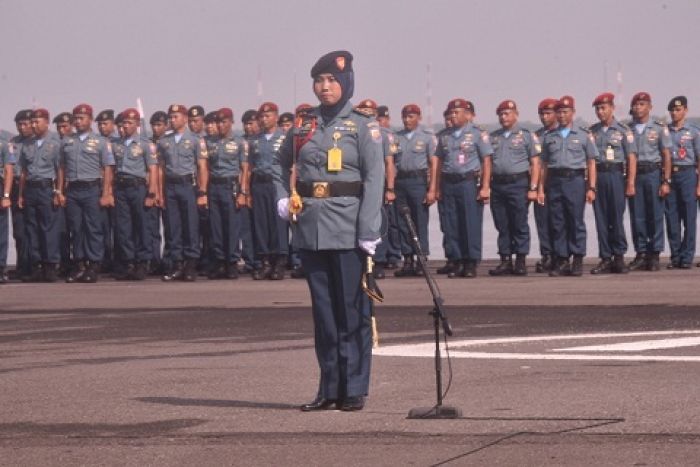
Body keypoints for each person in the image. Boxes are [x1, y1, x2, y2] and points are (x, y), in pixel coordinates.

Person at [274, 50, 383, 412]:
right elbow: (276, 165)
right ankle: (329, 387)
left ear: (346, 83)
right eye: (319, 81)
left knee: (352, 312)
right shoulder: (303, 126)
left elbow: (374, 179)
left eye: (332, 81)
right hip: (310, 230)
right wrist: (281, 199)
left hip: (350, 229)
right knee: (324, 314)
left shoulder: (363, 125)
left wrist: (369, 230)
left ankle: (353, 388)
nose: (325, 87)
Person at [539, 96, 598, 277]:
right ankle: (562, 259)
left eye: (565, 112)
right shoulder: (549, 136)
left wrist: (591, 187)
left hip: (575, 180)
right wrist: (541, 188)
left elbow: (591, 163)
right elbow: (544, 165)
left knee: (575, 220)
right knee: (558, 222)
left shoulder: (583, 135)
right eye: (559, 112)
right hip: (555, 181)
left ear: (572, 112)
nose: (562, 115)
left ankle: (578, 258)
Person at [58, 104, 115, 283]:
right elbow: (61, 168)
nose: (78, 121)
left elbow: (108, 168)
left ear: (90, 119)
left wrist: (106, 193)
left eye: (81, 118)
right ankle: (80, 265)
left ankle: (94, 265)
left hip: (91, 188)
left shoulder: (101, 142)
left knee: (93, 228)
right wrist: (60, 191)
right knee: (76, 228)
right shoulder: (67, 141)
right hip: (73, 189)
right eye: (76, 118)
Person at [436, 98, 493, 278]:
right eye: (451, 112)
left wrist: (485, 186)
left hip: (468, 182)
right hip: (449, 182)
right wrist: (435, 188)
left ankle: (470, 261)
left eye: (456, 112)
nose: (453, 115)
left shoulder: (477, 134)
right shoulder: (444, 135)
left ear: (467, 115)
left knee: (470, 222)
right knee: (451, 223)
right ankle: (457, 259)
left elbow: (486, 161)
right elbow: (438, 161)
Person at [488, 100, 540, 276]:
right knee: (502, 224)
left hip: (518, 183)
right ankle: (505, 260)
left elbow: (535, 162)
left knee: (519, 222)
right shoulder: (493, 137)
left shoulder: (526, 136)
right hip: (498, 184)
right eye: (501, 114)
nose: (504, 117)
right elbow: (487, 163)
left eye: (507, 113)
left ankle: (520, 260)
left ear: (516, 114)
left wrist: (533, 187)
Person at [157, 104, 209, 281]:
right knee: (173, 227)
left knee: (190, 226)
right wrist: (160, 192)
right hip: (170, 186)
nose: (172, 120)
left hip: (188, 185)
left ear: (185, 119)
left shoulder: (195, 140)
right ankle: (177, 263)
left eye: (176, 117)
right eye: (170, 117)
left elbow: (202, 167)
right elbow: (162, 169)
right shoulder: (164, 141)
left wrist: (202, 192)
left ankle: (190, 264)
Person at [589, 93, 635, 274]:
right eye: (598, 109)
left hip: (616, 175)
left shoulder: (623, 131)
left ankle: (619, 257)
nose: (600, 112)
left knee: (616, 218)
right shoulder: (592, 132)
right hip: (599, 176)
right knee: (601, 219)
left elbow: (631, 158)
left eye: (604, 108)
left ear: (612, 108)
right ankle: (605, 257)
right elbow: (589, 160)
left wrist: (630, 182)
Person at [111, 108, 159, 280]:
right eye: (124, 122)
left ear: (138, 124)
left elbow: (152, 169)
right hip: (121, 187)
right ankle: (128, 262)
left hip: (138, 187)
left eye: (130, 122)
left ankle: (142, 262)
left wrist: (151, 193)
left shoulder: (145, 144)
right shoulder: (116, 144)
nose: (126, 125)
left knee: (142, 226)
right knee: (124, 228)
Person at [627, 92, 672, 271]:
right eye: (636, 105)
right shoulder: (627, 129)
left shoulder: (659, 128)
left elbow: (667, 156)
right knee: (637, 216)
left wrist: (666, 181)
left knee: (655, 215)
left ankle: (654, 254)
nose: (639, 108)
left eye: (642, 104)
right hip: (635, 175)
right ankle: (641, 252)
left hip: (653, 173)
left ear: (650, 107)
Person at [17, 109, 62, 282]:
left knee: (48, 228)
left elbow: (60, 170)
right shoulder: (27, 144)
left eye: (37, 122)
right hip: (30, 189)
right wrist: (21, 195)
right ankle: (36, 266)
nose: (33, 125)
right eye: (32, 122)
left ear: (46, 122)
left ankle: (51, 266)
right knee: (32, 229)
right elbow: (23, 172)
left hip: (46, 188)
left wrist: (58, 191)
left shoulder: (55, 143)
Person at [393, 104, 437, 277]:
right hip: (401, 182)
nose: (407, 120)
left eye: (411, 116)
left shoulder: (426, 138)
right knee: (403, 222)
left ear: (418, 118)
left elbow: (433, 164)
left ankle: (421, 259)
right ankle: (408, 259)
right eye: (404, 116)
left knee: (419, 221)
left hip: (418, 182)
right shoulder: (396, 137)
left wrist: (432, 189)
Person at [205, 107, 249, 279]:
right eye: (218, 122)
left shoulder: (239, 143)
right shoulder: (210, 143)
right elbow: (206, 168)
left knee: (232, 226)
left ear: (231, 122)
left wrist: (243, 192)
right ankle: (219, 261)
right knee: (216, 226)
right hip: (214, 186)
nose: (220, 125)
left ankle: (232, 262)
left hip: (231, 186)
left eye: (224, 122)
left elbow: (244, 169)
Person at [249, 102, 289, 280]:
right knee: (261, 223)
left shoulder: (285, 138)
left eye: (268, 116)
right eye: (262, 117)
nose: (264, 119)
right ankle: (265, 261)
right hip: (259, 184)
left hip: (278, 185)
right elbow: (249, 166)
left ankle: (279, 262)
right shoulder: (255, 140)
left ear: (276, 117)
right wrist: (246, 191)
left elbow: (292, 165)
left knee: (278, 223)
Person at [664, 96, 700, 269]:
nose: (674, 113)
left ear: (685, 110)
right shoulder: (665, 131)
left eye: (677, 110)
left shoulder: (693, 131)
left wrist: (699, 184)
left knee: (689, 218)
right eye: (672, 110)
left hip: (688, 174)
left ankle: (687, 257)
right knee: (672, 217)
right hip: (671, 175)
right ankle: (675, 256)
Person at [533, 99, 558, 272]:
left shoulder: (561, 133)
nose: (544, 117)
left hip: (557, 183)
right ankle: (547, 254)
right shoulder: (536, 136)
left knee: (559, 221)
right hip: (540, 185)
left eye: (548, 113)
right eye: (542, 113)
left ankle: (560, 255)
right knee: (542, 221)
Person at [9, 110, 34, 280]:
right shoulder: (13, 142)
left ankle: (35, 265)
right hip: (16, 185)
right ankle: (22, 265)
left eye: (25, 123)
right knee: (19, 230)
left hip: (34, 186)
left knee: (34, 228)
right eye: (19, 124)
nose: (22, 127)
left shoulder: (38, 142)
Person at [0, 136, 16, 283]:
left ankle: (1, 267)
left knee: (1, 231)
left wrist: (6, 195)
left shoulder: (4, 143)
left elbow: (8, 169)